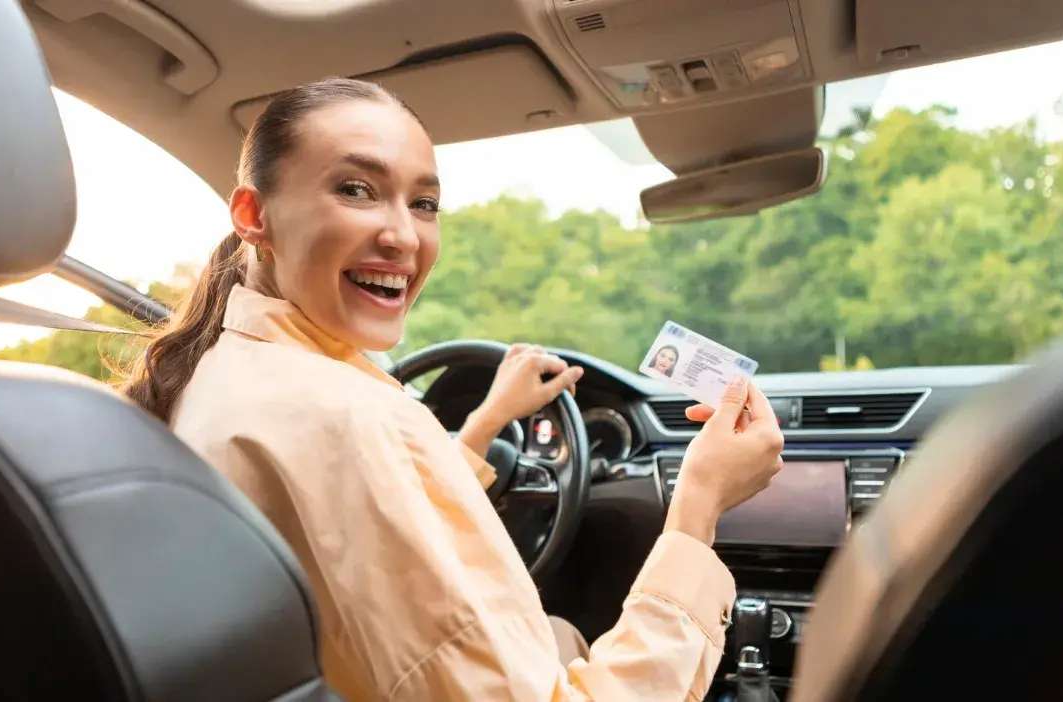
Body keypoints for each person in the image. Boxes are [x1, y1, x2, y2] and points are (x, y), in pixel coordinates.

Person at [122, 78, 784, 701]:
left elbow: (369, 515)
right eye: (355, 189)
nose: (403, 235)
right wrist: (698, 506)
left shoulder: (225, 367)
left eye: (424, 203)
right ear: (252, 214)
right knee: (569, 635)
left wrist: (489, 420)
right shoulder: (345, 418)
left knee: (555, 634)